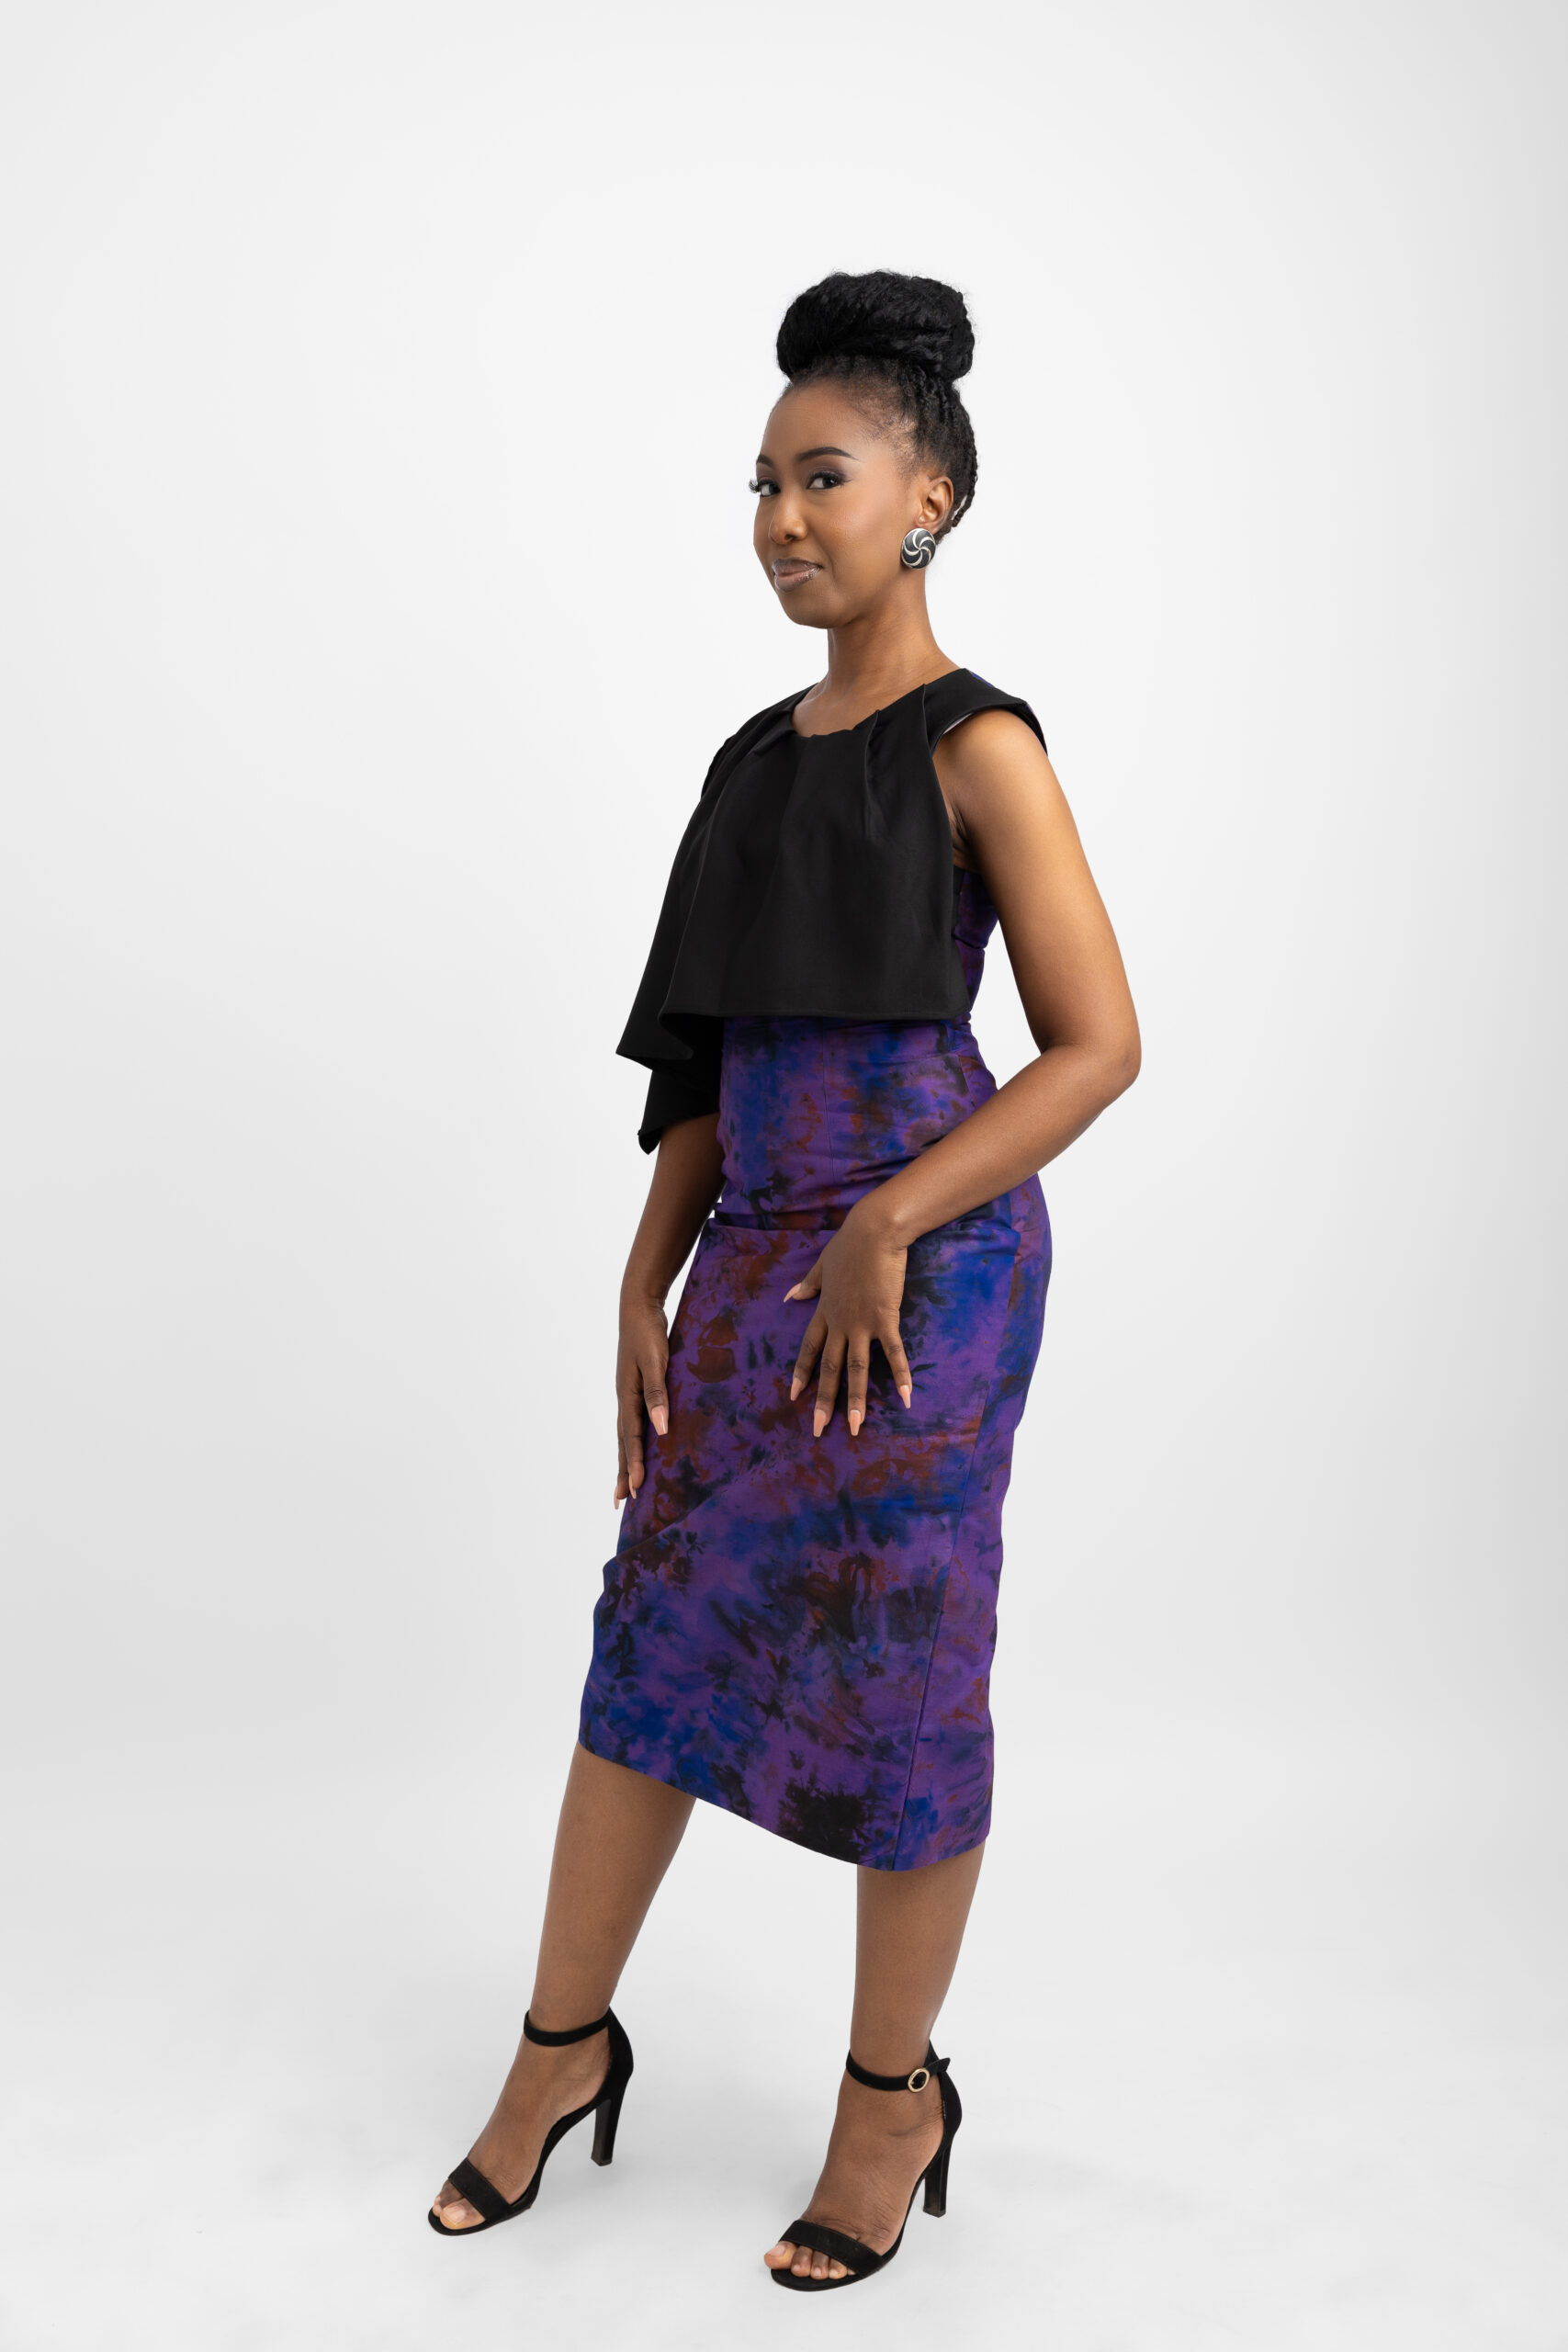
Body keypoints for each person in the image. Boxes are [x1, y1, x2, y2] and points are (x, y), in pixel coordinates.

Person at [428, 268, 1141, 2290]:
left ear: (928, 498)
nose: (780, 519)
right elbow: (708, 1062)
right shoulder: (750, 761)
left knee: (904, 1677)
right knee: (648, 1646)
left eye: (822, 476)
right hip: (754, 1259)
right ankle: (558, 2051)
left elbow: (1096, 1044)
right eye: (759, 484)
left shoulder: (977, 744)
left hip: (927, 1275)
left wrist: (887, 1221)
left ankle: (887, 2102)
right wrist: (641, 1279)